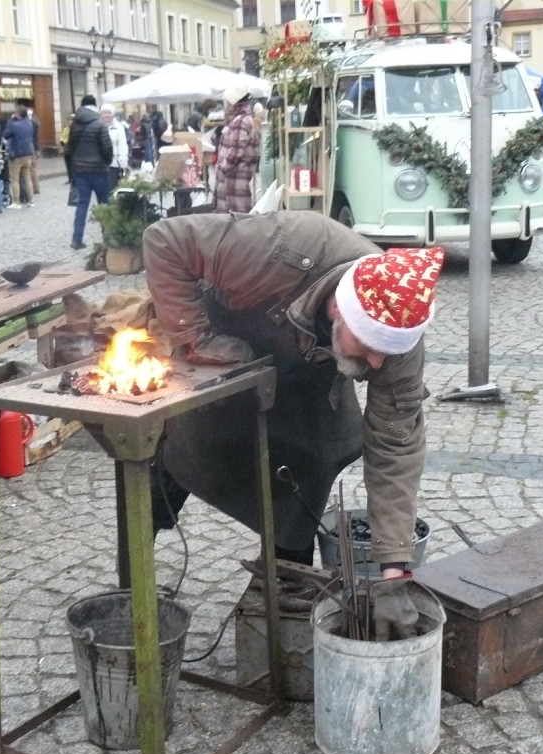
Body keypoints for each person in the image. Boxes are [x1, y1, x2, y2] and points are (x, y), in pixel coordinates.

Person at [143, 211, 445, 639]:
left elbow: (395, 446)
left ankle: (283, 581)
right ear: (340, 308)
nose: (376, 364)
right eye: (372, 347)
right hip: (226, 347)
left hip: (305, 376)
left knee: (322, 452)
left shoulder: (397, 337)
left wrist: (393, 571)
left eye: (386, 354)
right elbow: (164, 239)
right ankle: (133, 576)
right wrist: (196, 338)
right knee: (183, 453)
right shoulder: (283, 247)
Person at [65, 94, 112, 250]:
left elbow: (69, 149)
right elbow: (107, 148)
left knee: (82, 205)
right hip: (98, 170)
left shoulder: (74, 125)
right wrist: (107, 162)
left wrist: (73, 170)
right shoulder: (99, 124)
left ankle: (76, 239)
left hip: (80, 171)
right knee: (104, 204)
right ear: (95, 106)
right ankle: (108, 238)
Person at [213, 87, 260, 214]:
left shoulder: (240, 121)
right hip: (236, 180)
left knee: (236, 221)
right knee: (239, 219)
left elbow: (235, 151)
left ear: (233, 103)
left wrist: (223, 168)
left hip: (233, 181)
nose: (225, 106)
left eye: (227, 102)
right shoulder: (244, 119)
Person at [2, 105, 36, 209]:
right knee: (27, 178)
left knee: (14, 179)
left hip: (16, 155)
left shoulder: (14, 125)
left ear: (18, 114)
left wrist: (11, 120)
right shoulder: (30, 124)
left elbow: (5, 134)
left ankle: (16, 202)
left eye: (16, 113)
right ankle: (31, 200)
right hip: (28, 153)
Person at [100, 104, 130, 189]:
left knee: (111, 189)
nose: (106, 115)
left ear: (113, 114)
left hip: (114, 163)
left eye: (109, 112)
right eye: (104, 113)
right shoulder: (97, 126)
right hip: (99, 164)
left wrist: (123, 162)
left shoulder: (118, 127)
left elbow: (122, 145)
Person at [27, 107, 41, 196]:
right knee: (33, 168)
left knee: (30, 168)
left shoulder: (29, 123)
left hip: (29, 147)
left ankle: (33, 188)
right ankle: (36, 187)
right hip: (34, 147)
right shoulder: (36, 123)